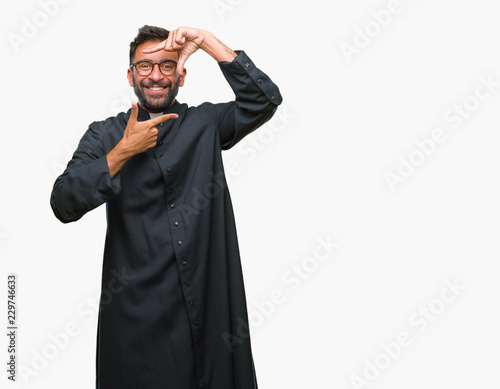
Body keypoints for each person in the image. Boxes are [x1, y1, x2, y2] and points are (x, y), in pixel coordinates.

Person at [50, 25, 282, 389]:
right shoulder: (104, 135)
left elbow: (263, 100)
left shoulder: (205, 123)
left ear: (181, 75)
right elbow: (63, 203)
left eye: (167, 66)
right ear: (130, 75)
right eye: (145, 67)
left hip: (208, 311)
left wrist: (205, 42)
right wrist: (124, 151)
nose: (155, 75)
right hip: (137, 322)